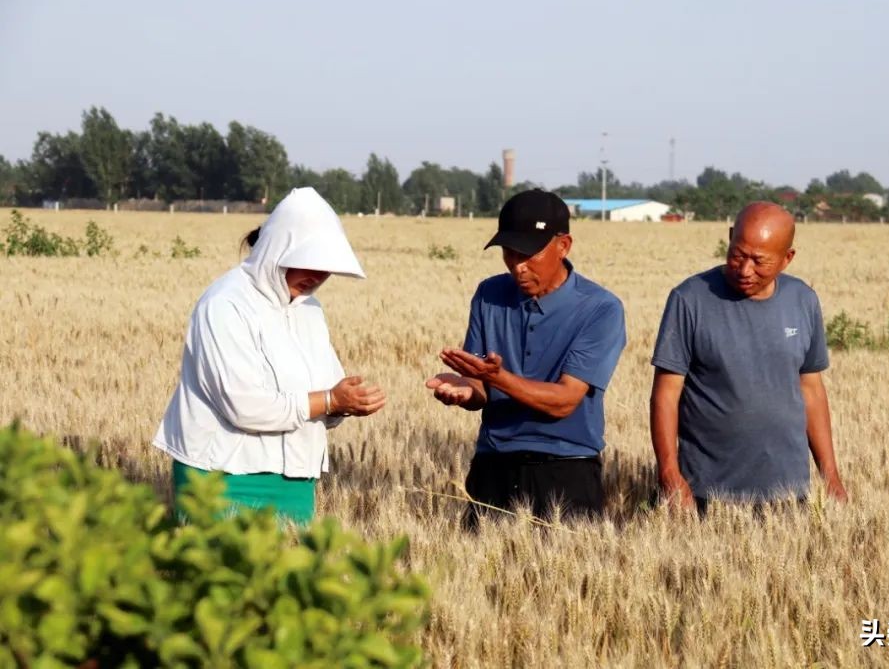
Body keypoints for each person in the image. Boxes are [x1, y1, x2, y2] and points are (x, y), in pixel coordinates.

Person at [153, 187, 387, 524]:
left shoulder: (309, 310)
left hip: (295, 479)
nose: (319, 276)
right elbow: (243, 405)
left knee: (290, 576)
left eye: (327, 267)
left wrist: (348, 404)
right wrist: (331, 401)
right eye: (310, 263)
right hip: (220, 480)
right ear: (277, 251)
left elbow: (326, 394)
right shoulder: (225, 304)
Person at [425, 189, 626, 527]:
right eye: (508, 253)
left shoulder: (600, 309)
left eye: (529, 253)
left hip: (566, 471)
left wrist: (496, 378)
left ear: (564, 245)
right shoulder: (489, 295)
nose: (517, 266)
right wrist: (465, 391)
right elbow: (480, 387)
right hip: (493, 465)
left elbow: (564, 401)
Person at [650, 201, 847, 515]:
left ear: (787, 259)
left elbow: (810, 389)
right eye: (738, 255)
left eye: (759, 261)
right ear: (729, 237)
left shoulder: (803, 301)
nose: (744, 270)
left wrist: (830, 474)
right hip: (704, 490)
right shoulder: (689, 299)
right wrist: (669, 474)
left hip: (787, 489)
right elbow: (666, 394)